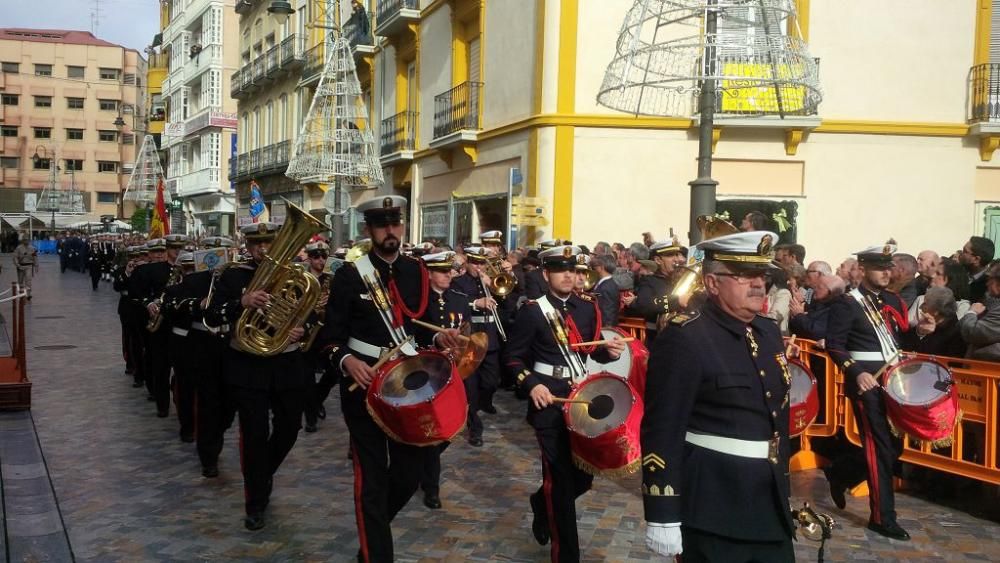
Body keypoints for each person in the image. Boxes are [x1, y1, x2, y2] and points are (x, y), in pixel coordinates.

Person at [318, 196, 462, 562]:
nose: (390, 232)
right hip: (364, 387)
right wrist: (346, 360)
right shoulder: (350, 275)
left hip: (408, 384)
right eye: (382, 226)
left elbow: (421, 324)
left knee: (409, 474)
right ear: (369, 230)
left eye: (395, 224)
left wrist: (439, 338)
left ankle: (373, 534)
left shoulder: (415, 270)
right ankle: (376, 555)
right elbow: (329, 337)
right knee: (371, 480)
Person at [642, 230, 795, 562]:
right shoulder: (687, 337)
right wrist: (662, 511)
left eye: (762, 275)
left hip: (769, 500)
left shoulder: (767, 332)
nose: (758, 284)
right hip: (714, 506)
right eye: (744, 276)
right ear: (712, 283)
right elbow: (662, 428)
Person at [504, 244, 624, 563]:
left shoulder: (586, 308)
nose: (569, 275)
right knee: (560, 480)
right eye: (561, 270)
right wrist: (531, 384)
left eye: (573, 270)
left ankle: (541, 505)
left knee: (583, 477)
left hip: (580, 398)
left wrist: (606, 351)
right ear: (546, 274)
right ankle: (567, 556)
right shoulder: (532, 311)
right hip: (550, 403)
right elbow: (513, 358)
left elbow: (585, 350)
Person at [205, 222, 313, 531]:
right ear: (247, 245)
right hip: (247, 364)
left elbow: (313, 315)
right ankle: (256, 502)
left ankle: (261, 474)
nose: (262, 249)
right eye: (256, 243)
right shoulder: (233, 275)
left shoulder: (295, 276)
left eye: (268, 242)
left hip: (286, 363)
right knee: (252, 435)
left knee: (290, 428)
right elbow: (211, 315)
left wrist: (301, 329)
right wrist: (241, 302)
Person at [825, 241, 911, 541]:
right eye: (879, 268)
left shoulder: (890, 300)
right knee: (880, 448)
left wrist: (923, 332)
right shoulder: (848, 303)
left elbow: (899, 339)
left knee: (894, 447)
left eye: (888, 268)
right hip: (868, 383)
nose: (887, 273)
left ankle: (842, 471)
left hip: (895, 382)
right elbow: (834, 343)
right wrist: (855, 371)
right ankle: (882, 518)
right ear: (862, 270)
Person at [417, 250, 471, 510]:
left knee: (451, 427)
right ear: (428, 274)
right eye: (442, 270)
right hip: (426, 369)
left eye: (449, 270)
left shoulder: (459, 299)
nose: (449, 274)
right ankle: (431, 487)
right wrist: (434, 345)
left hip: (453, 370)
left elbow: (467, 330)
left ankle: (420, 463)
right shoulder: (418, 302)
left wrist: (461, 350)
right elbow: (412, 334)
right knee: (433, 430)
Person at [183, 236, 237, 478]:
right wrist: (198, 304)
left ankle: (217, 431)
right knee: (208, 403)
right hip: (204, 345)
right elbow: (177, 305)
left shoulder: (236, 277)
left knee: (229, 404)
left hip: (232, 344)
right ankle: (209, 456)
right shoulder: (194, 279)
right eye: (211, 251)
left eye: (223, 251)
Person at [451, 246, 515, 442]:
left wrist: (498, 291)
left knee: (490, 381)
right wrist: (475, 303)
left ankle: (480, 403)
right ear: (468, 263)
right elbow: (456, 302)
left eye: (482, 263)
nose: (479, 267)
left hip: (491, 336)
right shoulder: (458, 282)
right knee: (470, 384)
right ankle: (474, 427)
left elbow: (507, 307)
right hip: (471, 338)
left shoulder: (490, 281)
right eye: (476, 263)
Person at [129, 236, 186, 417]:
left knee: (183, 368)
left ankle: (180, 401)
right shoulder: (150, 270)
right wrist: (149, 304)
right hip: (160, 324)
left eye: (180, 247)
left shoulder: (188, 269)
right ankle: (162, 404)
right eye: (173, 247)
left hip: (182, 324)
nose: (177, 251)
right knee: (160, 366)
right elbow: (136, 293)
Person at [624, 239, 686, 345]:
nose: (676, 259)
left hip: (682, 338)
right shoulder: (649, 281)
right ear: (658, 260)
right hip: (659, 341)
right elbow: (644, 304)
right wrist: (676, 302)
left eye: (677, 254)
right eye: (670, 255)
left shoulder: (681, 280)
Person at [302, 240, 333, 433]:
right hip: (306, 331)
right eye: (316, 257)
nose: (320, 260)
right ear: (309, 258)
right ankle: (310, 418)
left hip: (327, 332)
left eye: (323, 257)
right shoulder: (302, 278)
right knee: (307, 378)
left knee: (332, 373)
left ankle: (316, 400)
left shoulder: (333, 279)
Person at [899, 287, 966, 357]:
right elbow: (903, 342)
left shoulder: (955, 335)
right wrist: (919, 332)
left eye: (925, 304)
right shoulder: (929, 321)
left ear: (936, 311)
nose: (920, 307)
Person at [909, 258, 971, 326]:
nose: (932, 276)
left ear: (951, 280)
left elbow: (952, 331)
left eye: (938, 274)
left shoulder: (961, 306)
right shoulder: (920, 299)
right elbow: (906, 325)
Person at [959, 261, 1000, 362]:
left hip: (989, 368)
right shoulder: (991, 302)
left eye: (990, 278)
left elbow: (974, 333)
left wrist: (971, 312)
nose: (987, 283)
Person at [960, 236, 995, 303]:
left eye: (965, 251)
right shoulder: (958, 273)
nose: (961, 254)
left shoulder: (988, 287)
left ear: (976, 259)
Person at [589, 254, 620, 327]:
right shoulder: (607, 283)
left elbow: (608, 311)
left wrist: (607, 329)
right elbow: (600, 296)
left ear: (601, 267)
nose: (593, 270)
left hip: (604, 327)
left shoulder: (607, 286)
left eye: (594, 267)